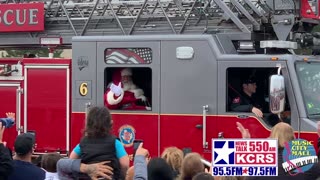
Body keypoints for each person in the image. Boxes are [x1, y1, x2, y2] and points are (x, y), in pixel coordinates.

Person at [69, 106, 129, 179]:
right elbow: (125, 164)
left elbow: (71, 160)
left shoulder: (82, 143)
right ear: (110, 123)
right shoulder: (115, 143)